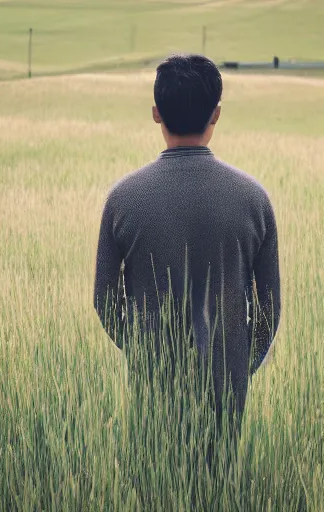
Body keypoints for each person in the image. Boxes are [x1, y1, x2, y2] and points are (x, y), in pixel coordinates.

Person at [93, 54, 281, 478]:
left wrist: (146, 353)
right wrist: (235, 362)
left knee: (155, 485)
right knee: (218, 486)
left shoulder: (122, 199)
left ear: (155, 113)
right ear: (217, 113)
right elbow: (270, 308)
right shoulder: (254, 200)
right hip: (225, 383)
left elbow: (103, 300)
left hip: (151, 384)